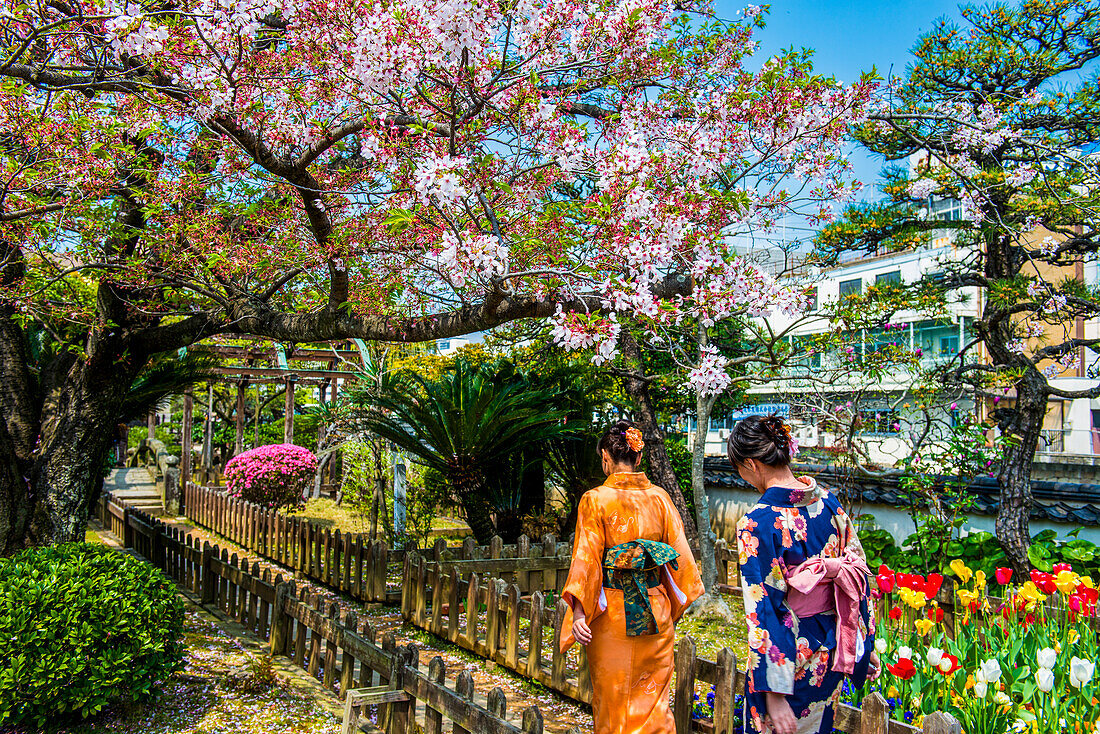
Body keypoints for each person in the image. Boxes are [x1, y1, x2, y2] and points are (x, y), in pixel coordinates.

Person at [729, 415, 879, 734]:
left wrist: (774, 693)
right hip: (830, 649)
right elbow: (859, 574)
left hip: (789, 661)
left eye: (739, 469)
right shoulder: (828, 504)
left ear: (751, 464)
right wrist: (863, 642)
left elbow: (764, 610)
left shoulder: (756, 524)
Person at [559, 419, 705, 734]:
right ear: (638, 458)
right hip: (655, 611)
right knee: (654, 706)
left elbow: (587, 558)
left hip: (612, 615)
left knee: (612, 703)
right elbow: (682, 562)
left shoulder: (595, 499)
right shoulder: (661, 498)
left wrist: (580, 612)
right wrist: (669, 607)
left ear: (606, 459)